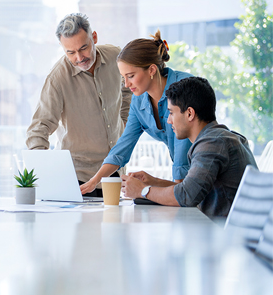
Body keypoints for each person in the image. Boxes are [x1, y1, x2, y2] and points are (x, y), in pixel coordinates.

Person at [26, 13, 132, 197]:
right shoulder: (57, 79)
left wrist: (123, 121)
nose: (79, 57)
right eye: (70, 52)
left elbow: (128, 89)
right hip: (78, 178)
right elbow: (38, 129)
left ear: (94, 38)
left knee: (115, 224)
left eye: (84, 48)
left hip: (114, 172)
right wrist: (45, 175)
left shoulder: (116, 56)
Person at [121, 77, 258, 219]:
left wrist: (143, 191)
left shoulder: (212, 143)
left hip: (227, 236)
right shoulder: (220, 137)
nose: (168, 120)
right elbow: (192, 188)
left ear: (190, 113)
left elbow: (187, 196)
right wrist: (154, 182)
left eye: (172, 112)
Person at [81, 30, 193, 195]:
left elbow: (182, 161)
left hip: (205, 171)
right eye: (123, 78)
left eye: (131, 76)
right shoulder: (139, 101)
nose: (126, 84)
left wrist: (153, 190)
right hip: (187, 182)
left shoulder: (184, 88)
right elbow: (122, 147)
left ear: (152, 70)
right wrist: (94, 181)